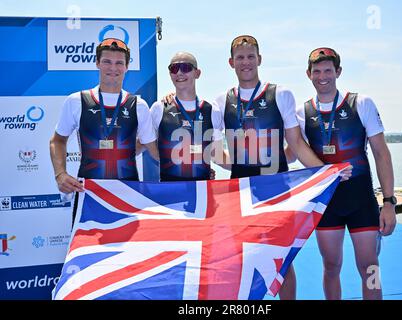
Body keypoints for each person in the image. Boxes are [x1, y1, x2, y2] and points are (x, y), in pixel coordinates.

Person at [211, 35, 346, 300]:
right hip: (241, 193)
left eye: (251, 56)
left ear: (259, 59)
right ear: (231, 62)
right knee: (243, 259)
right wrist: (239, 163)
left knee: (280, 261)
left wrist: (326, 172)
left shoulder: (280, 94)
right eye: (240, 57)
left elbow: (296, 144)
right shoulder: (221, 100)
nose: (246, 62)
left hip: (277, 192)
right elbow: (215, 153)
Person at [297, 47, 397, 300]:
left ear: (338, 72)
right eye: (317, 71)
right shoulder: (302, 112)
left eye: (328, 70)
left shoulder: (361, 103)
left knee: (369, 266)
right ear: (309, 75)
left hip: (360, 199)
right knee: (331, 266)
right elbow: (290, 151)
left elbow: (381, 154)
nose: (323, 76)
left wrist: (389, 202)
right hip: (326, 201)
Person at [49, 38, 154, 195]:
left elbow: (152, 147)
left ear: (127, 67)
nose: (113, 68)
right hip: (88, 193)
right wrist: (60, 174)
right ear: (97, 63)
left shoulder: (139, 105)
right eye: (107, 61)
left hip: (130, 195)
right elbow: (57, 141)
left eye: (119, 63)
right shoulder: (76, 101)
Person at [144, 52, 219, 181]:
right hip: (169, 191)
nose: (179, 73)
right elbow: (145, 144)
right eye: (174, 68)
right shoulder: (159, 108)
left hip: (203, 192)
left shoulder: (212, 110)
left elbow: (217, 155)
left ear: (197, 73)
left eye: (185, 68)